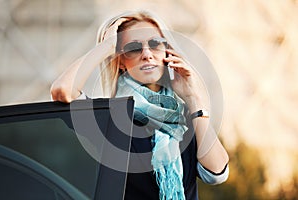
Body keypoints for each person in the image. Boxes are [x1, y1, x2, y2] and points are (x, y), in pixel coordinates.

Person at [50, 9, 229, 200]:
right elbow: (63, 90)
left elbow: (217, 172)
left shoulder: (186, 116)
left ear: (167, 52)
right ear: (120, 62)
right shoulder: (107, 116)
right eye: (133, 48)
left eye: (155, 44)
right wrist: (108, 45)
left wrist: (194, 98)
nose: (147, 54)